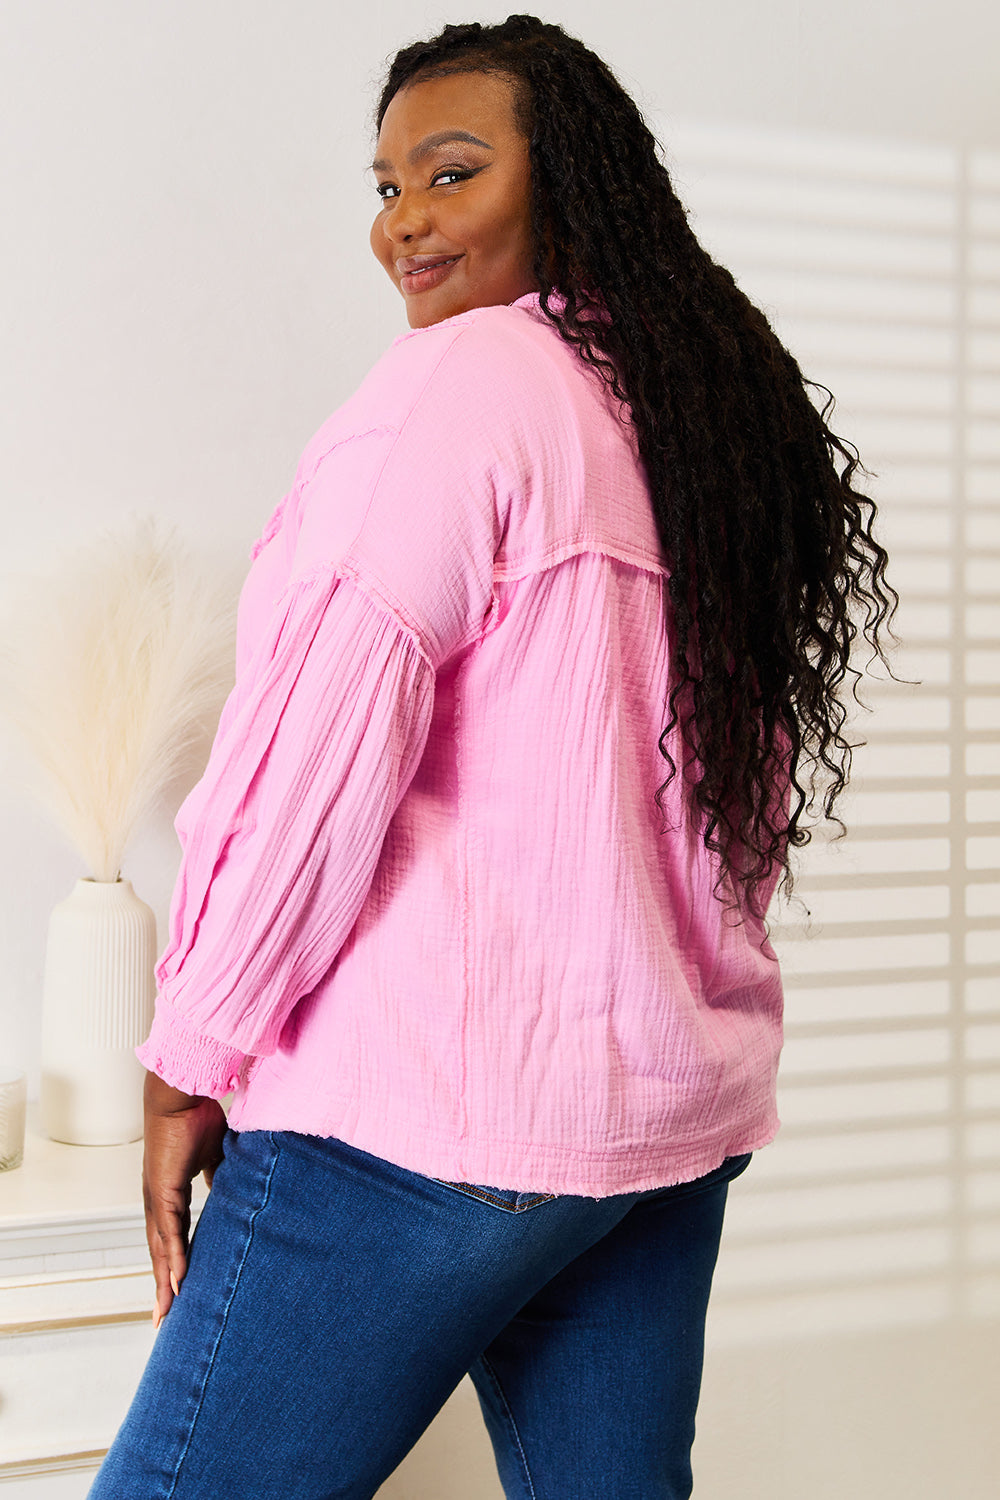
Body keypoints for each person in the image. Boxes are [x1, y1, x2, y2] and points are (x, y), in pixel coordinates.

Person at [89, 14, 895, 1500]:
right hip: (653, 1128)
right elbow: (737, 796)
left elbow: (317, 753)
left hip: (425, 1122)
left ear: (570, 180)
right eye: (385, 186)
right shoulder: (699, 424)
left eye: (450, 170)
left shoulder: (465, 390)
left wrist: (188, 1052)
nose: (405, 220)